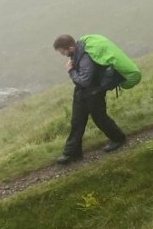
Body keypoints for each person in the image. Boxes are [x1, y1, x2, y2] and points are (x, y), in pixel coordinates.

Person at [52, 34, 129, 164]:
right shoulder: (76, 54)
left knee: (100, 118)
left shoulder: (85, 58)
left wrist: (70, 71)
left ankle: (118, 138)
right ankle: (72, 153)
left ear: (70, 47)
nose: (62, 54)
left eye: (63, 51)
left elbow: (85, 81)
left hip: (94, 92)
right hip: (82, 93)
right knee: (77, 121)